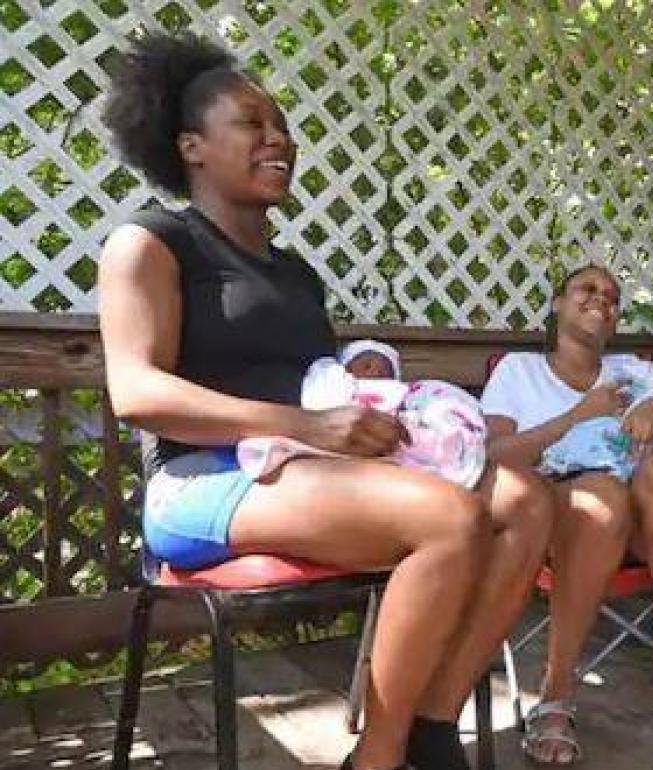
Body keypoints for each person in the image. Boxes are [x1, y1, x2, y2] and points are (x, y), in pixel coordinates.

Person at [97, 32, 554, 770]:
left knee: (527, 501)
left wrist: (372, 413)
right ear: (191, 147)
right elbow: (137, 392)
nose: (277, 138)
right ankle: (378, 756)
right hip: (199, 481)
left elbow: (319, 384)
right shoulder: (152, 243)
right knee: (449, 517)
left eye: (281, 125)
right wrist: (308, 425)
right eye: (251, 123)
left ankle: (432, 725)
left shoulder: (297, 275)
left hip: (305, 468)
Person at [481, 265, 653, 764]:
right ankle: (556, 690)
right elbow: (492, 455)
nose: (601, 300)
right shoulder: (520, 371)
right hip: (565, 520)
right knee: (602, 498)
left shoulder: (636, 372)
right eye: (587, 289)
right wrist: (578, 417)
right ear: (556, 304)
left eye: (612, 296)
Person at [237, 339, 488, 489]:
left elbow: (416, 402)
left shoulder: (401, 393)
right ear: (345, 367)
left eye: (385, 369)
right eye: (366, 364)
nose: (376, 371)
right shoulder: (335, 381)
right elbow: (319, 398)